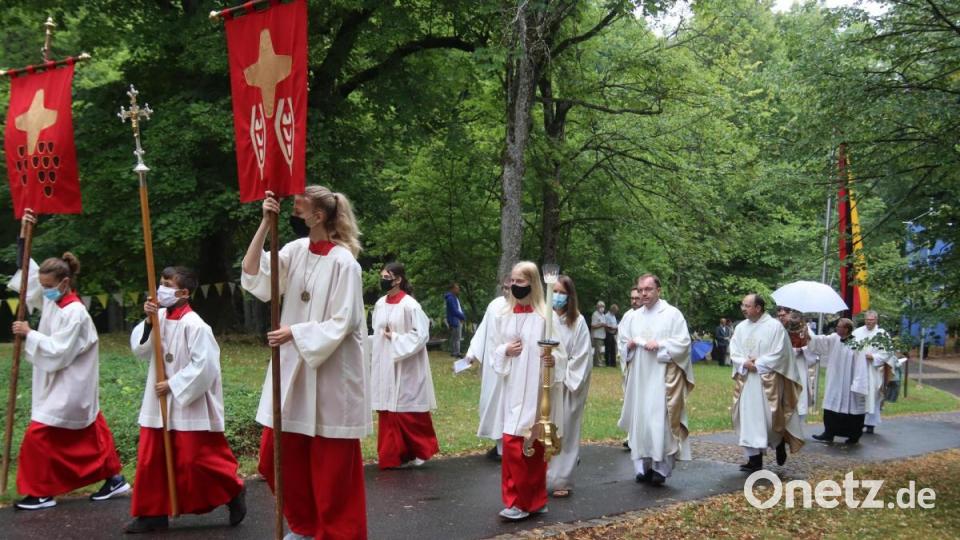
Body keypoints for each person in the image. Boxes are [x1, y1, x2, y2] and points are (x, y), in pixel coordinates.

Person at [241, 187, 369, 540]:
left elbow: (344, 322)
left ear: (319, 216)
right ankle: (304, 524)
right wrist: (265, 225)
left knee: (331, 469)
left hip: (331, 376)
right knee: (275, 458)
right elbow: (254, 275)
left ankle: (336, 532)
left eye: (297, 210)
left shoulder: (345, 263)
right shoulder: (296, 250)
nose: (291, 215)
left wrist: (294, 332)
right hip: (294, 372)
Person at [8, 211, 128, 511]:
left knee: (39, 436)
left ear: (63, 283)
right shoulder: (52, 300)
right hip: (58, 382)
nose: (42, 288)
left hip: (71, 383)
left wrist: (29, 334)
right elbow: (27, 277)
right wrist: (25, 234)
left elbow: (59, 351)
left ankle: (41, 491)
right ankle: (113, 479)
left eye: (48, 284)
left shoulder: (75, 313)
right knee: (92, 430)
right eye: (42, 283)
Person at [125, 266, 245, 533]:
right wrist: (147, 321)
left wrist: (174, 384)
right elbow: (141, 350)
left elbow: (205, 366)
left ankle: (233, 491)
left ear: (184, 292)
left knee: (196, 460)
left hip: (188, 402)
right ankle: (152, 512)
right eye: (161, 283)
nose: (161, 289)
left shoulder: (197, 326)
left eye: (167, 284)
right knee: (151, 458)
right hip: (158, 404)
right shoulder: (159, 318)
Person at [492, 261, 560, 521]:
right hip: (512, 387)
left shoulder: (545, 318)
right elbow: (495, 350)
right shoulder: (504, 317)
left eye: (520, 282)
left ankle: (534, 499)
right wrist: (505, 351)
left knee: (533, 443)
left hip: (535, 388)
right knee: (512, 442)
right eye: (512, 281)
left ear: (532, 283)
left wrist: (554, 361)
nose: (514, 286)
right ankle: (517, 500)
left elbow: (560, 352)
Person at [617, 274, 693, 486]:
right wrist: (629, 347)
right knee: (641, 420)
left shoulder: (672, 315)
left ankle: (661, 468)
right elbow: (622, 343)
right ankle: (642, 467)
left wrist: (660, 345)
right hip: (640, 379)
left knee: (659, 420)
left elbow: (683, 344)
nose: (643, 294)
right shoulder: (632, 317)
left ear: (658, 290)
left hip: (662, 378)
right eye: (640, 290)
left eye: (648, 289)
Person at [370, 262, 439, 469]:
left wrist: (397, 338)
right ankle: (393, 456)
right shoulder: (381, 303)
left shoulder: (411, 305)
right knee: (387, 409)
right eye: (382, 277)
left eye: (386, 277)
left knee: (407, 410)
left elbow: (421, 334)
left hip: (406, 363)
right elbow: (377, 329)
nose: (383, 281)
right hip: (385, 363)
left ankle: (419, 450)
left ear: (398, 279)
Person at [729, 294, 804, 472]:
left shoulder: (775, 327)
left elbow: (782, 353)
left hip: (768, 381)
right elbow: (734, 349)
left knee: (769, 418)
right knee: (748, 419)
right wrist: (743, 362)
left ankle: (778, 442)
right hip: (747, 380)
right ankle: (754, 459)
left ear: (758, 308)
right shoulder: (740, 327)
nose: (743, 308)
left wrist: (760, 363)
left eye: (747, 305)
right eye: (743, 305)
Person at [546, 275, 592, 498]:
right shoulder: (544, 318)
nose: (557, 297)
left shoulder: (578, 322)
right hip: (546, 384)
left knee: (566, 431)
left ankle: (562, 479)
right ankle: (542, 476)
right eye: (554, 291)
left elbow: (582, 356)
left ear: (570, 296)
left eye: (562, 293)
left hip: (567, 385)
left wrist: (560, 365)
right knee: (545, 431)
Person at [464, 277, 511, 460]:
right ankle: (498, 443)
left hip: (510, 366)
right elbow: (483, 330)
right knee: (490, 404)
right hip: (492, 366)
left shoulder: (522, 308)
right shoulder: (495, 305)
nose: (507, 291)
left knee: (505, 405)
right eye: (504, 287)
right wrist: (472, 352)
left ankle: (506, 447)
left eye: (510, 287)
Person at [804, 318, 869, 444]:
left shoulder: (857, 344)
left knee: (851, 408)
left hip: (849, 383)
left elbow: (861, 365)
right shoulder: (834, 338)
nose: (837, 328)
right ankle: (829, 433)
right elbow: (820, 341)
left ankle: (853, 436)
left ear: (847, 329)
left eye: (839, 327)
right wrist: (808, 334)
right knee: (831, 405)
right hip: (835, 379)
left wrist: (858, 384)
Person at [853, 311, 896, 434]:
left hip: (873, 370)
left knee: (873, 395)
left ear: (876, 320)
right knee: (859, 395)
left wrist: (874, 357)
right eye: (867, 319)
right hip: (859, 369)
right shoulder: (857, 332)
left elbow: (888, 352)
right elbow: (848, 345)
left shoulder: (882, 334)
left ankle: (871, 424)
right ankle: (858, 421)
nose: (869, 322)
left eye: (871, 320)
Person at [444, 283, 466, 358]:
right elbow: (454, 311)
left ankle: (454, 352)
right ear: (452, 289)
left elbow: (458, 309)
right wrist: (462, 317)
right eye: (456, 288)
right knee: (457, 337)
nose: (458, 289)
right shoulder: (451, 298)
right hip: (455, 320)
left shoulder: (454, 297)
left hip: (456, 319)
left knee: (455, 337)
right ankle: (457, 353)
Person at [590, 301, 607, 367]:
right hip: (597, 335)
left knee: (600, 350)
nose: (602, 308)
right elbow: (593, 326)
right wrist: (601, 325)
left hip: (602, 335)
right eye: (601, 306)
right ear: (597, 307)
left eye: (603, 307)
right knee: (597, 350)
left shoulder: (603, 315)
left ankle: (599, 362)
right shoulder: (595, 314)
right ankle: (597, 363)